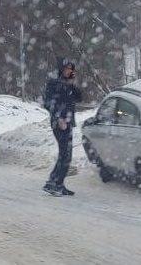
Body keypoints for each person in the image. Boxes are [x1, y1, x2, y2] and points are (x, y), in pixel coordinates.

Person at [42, 58, 83, 196]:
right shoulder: (54, 83)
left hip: (68, 122)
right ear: (61, 69)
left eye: (71, 69)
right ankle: (54, 183)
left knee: (65, 155)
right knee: (65, 155)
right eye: (67, 69)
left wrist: (73, 84)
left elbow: (80, 98)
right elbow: (48, 102)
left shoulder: (68, 84)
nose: (69, 71)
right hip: (58, 123)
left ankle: (56, 183)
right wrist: (58, 118)